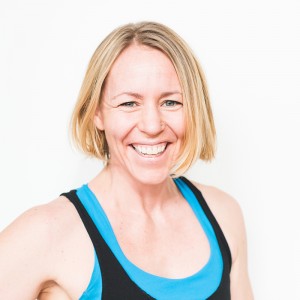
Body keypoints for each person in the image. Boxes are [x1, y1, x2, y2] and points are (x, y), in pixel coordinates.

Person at [0, 21, 253, 299]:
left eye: (171, 102)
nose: (152, 125)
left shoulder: (223, 214)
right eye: (129, 103)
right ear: (97, 113)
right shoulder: (47, 233)